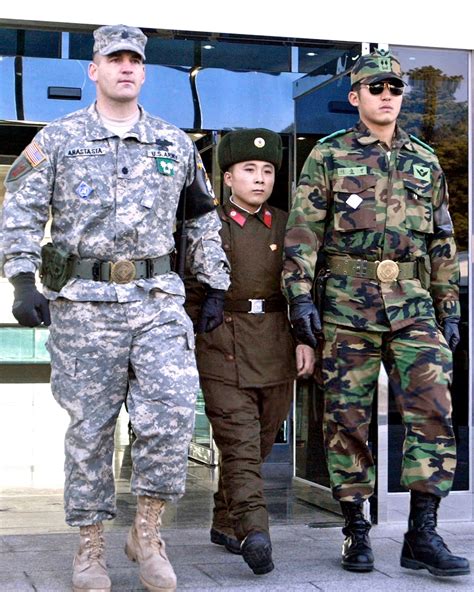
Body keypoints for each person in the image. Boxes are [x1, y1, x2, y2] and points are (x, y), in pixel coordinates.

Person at [0, 24, 230, 592]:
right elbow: (21, 211)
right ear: (93, 70)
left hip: (156, 300)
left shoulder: (175, 144)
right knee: (91, 431)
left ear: (144, 71)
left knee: (173, 416)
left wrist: (215, 282)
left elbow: (201, 218)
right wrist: (22, 280)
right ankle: (91, 546)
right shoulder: (57, 140)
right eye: (114, 58)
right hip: (84, 306)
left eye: (134, 59)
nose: (125, 67)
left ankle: (147, 533)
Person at [282, 49, 470, 577]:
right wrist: (299, 300)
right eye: (376, 88)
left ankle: (422, 534)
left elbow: (441, 239)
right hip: (348, 305)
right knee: (347, 418)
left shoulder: (426, 160)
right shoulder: (329, 154)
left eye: (394, 88)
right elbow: (302, 235)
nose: (387, 95)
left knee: (433, 411)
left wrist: (448, 306)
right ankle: (356, 530)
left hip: (414, 308)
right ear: (356, 96)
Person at [185, 128, 315, 575]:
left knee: (258, 443)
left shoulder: (288, 224)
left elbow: (303, 286)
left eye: (267, 171)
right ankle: (255, 533)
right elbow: (188, 293)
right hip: (222, 345)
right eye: (248, 170)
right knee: (239, 445)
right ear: (227, 178)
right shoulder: (207, 225)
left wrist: (304, 339)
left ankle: (225, 522)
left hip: (277, 344)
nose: (259, 179)